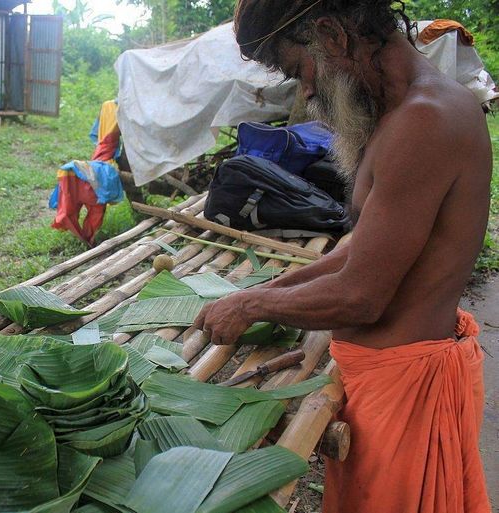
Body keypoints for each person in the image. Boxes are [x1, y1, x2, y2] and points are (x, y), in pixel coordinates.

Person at [193, 1, 492, 512]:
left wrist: (250, 308)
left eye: (298, 71)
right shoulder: (405, 111)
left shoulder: (424, 121)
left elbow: (361, 295)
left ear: (332, 36)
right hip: (388, 385)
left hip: (405, 396)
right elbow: (365, 253)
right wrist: (262, 292)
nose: (307, 93)